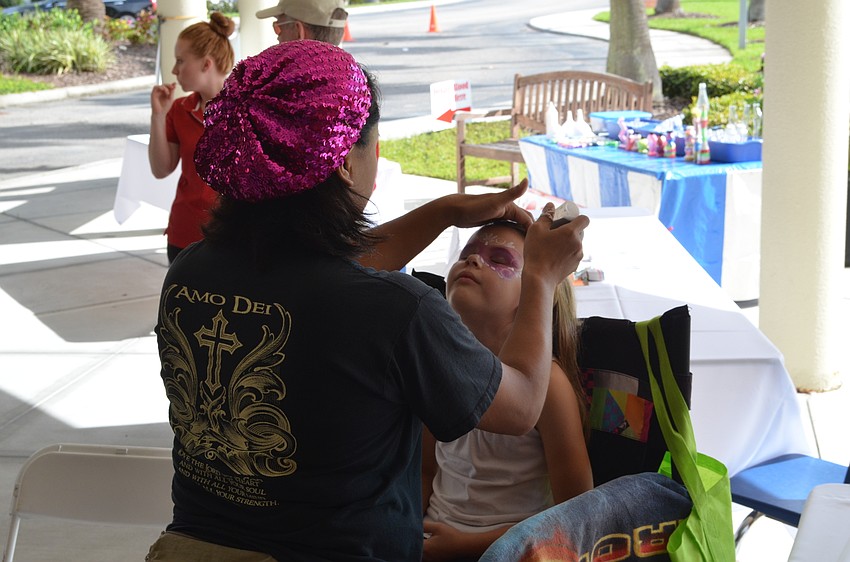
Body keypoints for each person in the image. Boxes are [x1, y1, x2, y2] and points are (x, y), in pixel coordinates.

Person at [147, 40, 588, 562]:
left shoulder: (191, 271)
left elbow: (322, 278)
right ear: (344, 166)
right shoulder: (397, 311)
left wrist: (444, 211)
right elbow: (518, 408)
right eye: (372, 146)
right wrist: (538, 277)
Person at [421, 221, 594, 562]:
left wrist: (466, 545)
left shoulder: (550, 386)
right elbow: (427, 472)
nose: (473, 261)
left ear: (535, 294)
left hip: (516, 552)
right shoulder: (437, 365)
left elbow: (577, 509)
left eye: (499, 259)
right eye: (467, 254)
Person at [147, 12, 235, 264]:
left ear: (206, 64)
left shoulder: (243, 107)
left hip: (232, 235)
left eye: (180, 61)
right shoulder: (180, 110)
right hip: (184, 234)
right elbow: (161, 169)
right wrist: (158, 116)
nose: (174, 70)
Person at [256, 0, 348, 46]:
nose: (277, 37)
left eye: (278, 27)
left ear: (298, 31)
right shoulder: (357, 76)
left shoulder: (282, 80)